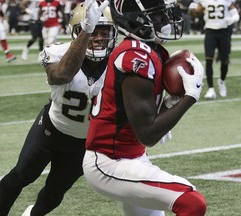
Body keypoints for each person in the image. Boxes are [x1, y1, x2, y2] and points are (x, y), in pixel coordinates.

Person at [0, 1, 116, 215]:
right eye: (93, 31)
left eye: (104, 32)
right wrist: (86, 31)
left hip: (83, 142)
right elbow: (61, 76)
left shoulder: (119, 61)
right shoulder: (57, 52)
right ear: (78, 31)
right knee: (21, 175)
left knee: (55, 193)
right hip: (51, 130)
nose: (99, 38)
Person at [82, 0, 207, 216]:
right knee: (192, 202)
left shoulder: (152, 51)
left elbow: (144, 126)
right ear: (136, 19)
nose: (167, 20)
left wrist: (166, 108)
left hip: (133, 155)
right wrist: (190, 97)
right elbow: (148, 134)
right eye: (159, 15)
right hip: (109, 161)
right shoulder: (135, 56)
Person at [189, 0, 240, 99]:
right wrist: (192, 9)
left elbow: (236, 14)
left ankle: (221, 81)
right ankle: (211, 88)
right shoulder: (204, 1)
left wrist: (232, 19)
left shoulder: (227, 1)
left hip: (224, 32)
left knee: (224, 61)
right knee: (209, 60)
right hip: (210, 32)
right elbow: (195, 14)